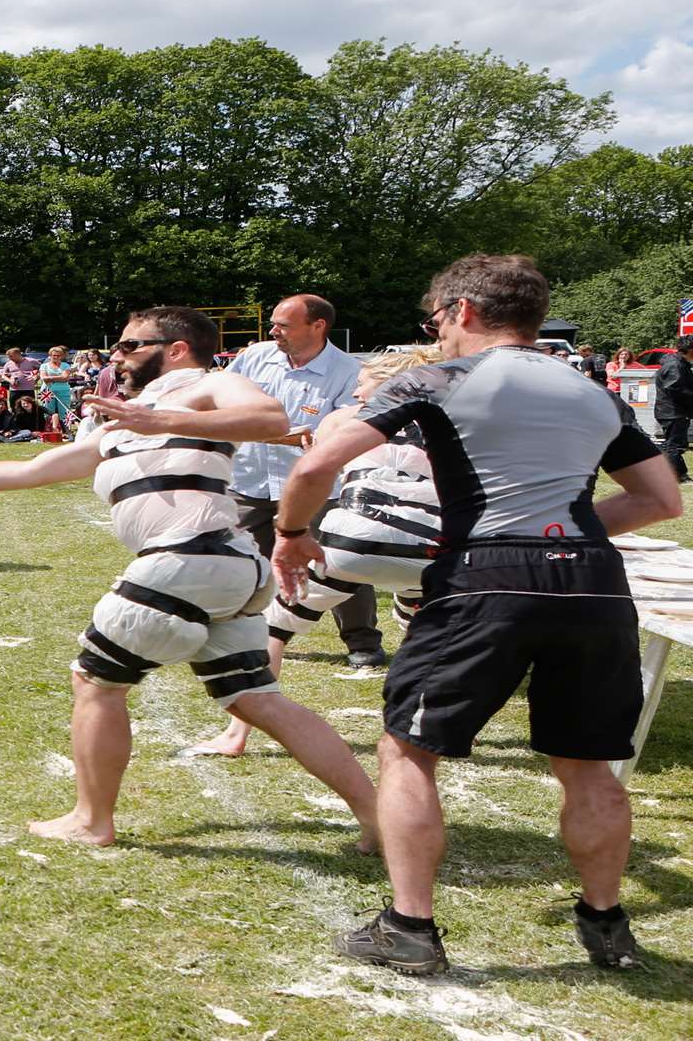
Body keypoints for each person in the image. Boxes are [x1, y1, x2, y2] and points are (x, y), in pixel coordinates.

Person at [276, 255, 678, 975]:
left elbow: (314, 466)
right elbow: (659, 499)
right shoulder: (592, 390)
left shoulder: (436, 377)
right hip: (592, 580)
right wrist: (565, 531)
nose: (437, 332)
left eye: (436, 320)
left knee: (408, 749)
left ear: (461, 311)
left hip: (483, 574)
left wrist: (292, 534)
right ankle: (607, 925)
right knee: (590, 768)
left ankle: (409, 927)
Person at [0, 306, 377, 850]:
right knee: (256, 698)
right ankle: (377, 814)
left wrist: (165, 420)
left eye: (129, 346)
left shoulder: (208, 384)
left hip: (188, 560)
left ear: (175, 348)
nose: (116, 357)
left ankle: (91, 820)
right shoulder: (130, 417)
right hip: (223, 565)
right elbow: (33, 470)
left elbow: (270, 419)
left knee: (96, 682)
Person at [190, 350, 442, 758]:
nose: (356, 388)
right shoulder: (449, 421)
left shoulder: (346, 418)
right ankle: (427, 722)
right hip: (429, 547)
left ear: (384, 383)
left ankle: (236, 735)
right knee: (423, 626)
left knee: (273, 628)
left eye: (363, 381)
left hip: (352, 541)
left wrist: (294, 530)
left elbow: (313, 472)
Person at [223, 294, 385, 670]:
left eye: (283, 325)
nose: (273, 331)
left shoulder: (349, 371)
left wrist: (266, 433)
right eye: (274, 323)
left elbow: (343, 431)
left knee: (341, 564)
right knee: (242, 560)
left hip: (316, 487)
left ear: (318, 326)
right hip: (251, 481)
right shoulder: (254, 357)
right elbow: (227, 407)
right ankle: (249, 636)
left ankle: (362, 642)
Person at [652, 335, 693, 483]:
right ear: (688, 349)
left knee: (675, 445)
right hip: (673, 412)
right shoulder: (675, 365)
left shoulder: (678, 363)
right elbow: (675, 388)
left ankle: (679, 474)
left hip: (673, 411)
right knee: (674, 445)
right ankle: (676, 476)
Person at [38, 346, 76, 419]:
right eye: (54, 355)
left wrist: (50, 378)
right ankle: (49, 428)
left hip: (63, 391)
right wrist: (60, 377)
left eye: (58, 355)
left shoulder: (65, 365)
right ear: (50, 356)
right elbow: (44, 378)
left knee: (64, 411)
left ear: (61, 356)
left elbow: (65, 378)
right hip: (47, 392)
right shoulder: (44, 366)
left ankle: (65, 429)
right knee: (48, 411)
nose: (56, 357)